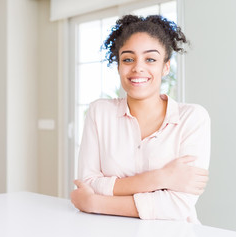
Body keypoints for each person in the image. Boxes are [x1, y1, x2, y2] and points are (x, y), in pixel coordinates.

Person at [70, 14, 210, 224]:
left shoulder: (193, 118)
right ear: (118, 66)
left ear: (165, 67)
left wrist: (94, 203)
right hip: (104, 231)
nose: (138, 68)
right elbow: (89, 183)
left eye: (150, 59)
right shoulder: (99, 112)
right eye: (128, 59)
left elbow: (178, 204)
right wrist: (161, 178)